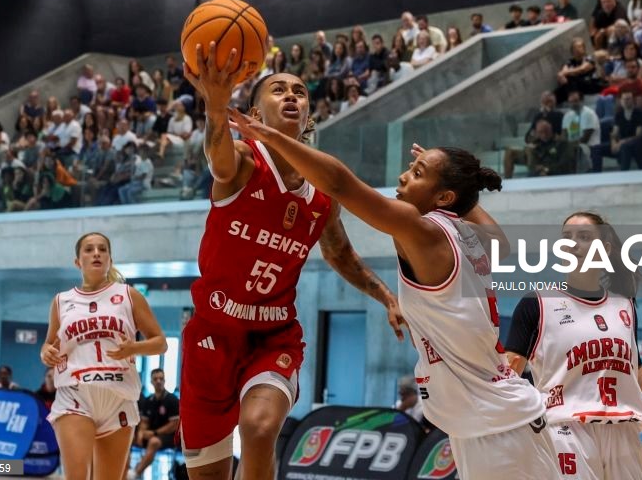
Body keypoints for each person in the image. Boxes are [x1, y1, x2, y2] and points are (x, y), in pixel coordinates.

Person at [228, 108, 562, 478]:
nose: (404, 175)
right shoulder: (473, 239)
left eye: (418, 173)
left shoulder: (425, 231)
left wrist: (272, 138)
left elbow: (340, 185)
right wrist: (457, 189)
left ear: (444, 197)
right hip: (496, 419)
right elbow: (502, 241)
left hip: (497, 427)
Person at [179, 43, 401, 480]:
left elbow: (340, 253)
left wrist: (385, 295)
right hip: (212, 335)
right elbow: (217, 161)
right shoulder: (243, 160)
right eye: (278, 89)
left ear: (308, 117)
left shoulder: (323, 191)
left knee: (259, 429)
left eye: (299, 91)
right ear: (256, 116)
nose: (292, 95)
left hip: (273, 336)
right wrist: (216, 107)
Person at [505, 211, 642, 480]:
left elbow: (635, 378)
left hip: (623, 432)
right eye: (566, 238)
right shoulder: (536, 304)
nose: (572, 243)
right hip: (566, 430)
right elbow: (507, 376)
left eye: (583, 237)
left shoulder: (625, 305)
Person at [40, 232, 167, 480]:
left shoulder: (129, 296)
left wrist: (133, 349)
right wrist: (46, 351)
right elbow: (48, 344)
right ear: (78, 261)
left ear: (109, 258)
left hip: (118, 395)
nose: (96, 253)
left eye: (102, 249)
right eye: (89, 249)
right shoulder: (61, 301)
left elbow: (160, 343)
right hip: (76, 393)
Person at [127, 368, 179, 480]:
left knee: (153, 441)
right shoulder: (148, 400)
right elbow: (144, 421)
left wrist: (154, 433)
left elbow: (173, 425)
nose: (158, 381)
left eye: (161, 378)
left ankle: (135, 473)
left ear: (165, 380)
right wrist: (141, 433)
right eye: (155, 379)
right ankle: (126, 469)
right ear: (151, 382)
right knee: (129, 438)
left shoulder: (172, 400)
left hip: (169, 436)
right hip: (152, 433)